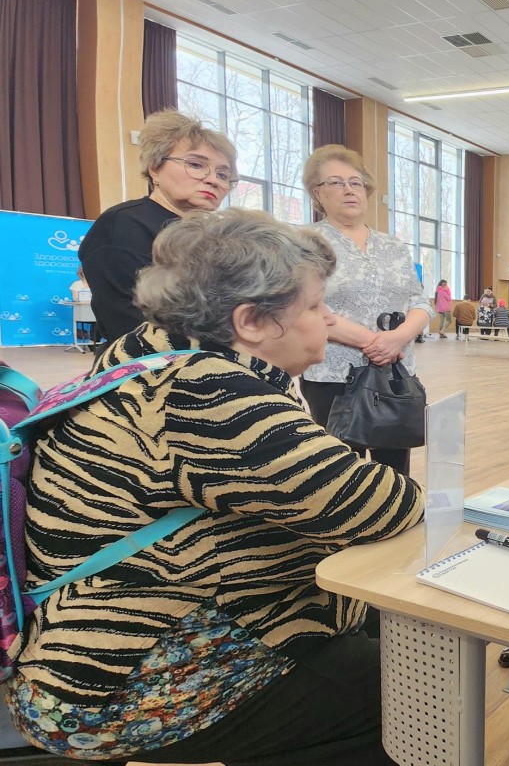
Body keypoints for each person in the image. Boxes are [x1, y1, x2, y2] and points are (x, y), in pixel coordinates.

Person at [8, 208, 424, 765]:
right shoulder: (205, 392)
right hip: (122, 683)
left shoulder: (143, 354)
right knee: (419, 692)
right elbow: (382, 505)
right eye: (314, 305)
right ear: (251, 321)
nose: (328, 320)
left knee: (381, 628)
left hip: (112, 643)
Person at [299, 144, 433, 475]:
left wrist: (398, 338)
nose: (348, 190)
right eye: (336, 182)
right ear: (317, 193)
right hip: (334, 376)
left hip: (394, 375)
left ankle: (397, 521)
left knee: (395, 470)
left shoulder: (393, 246)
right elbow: (306, 307)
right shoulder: (304, 242)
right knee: (343, 471)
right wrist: (373, 342)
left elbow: (420, 302)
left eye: (356, 182)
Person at [79, 109, 237, 343]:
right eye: (196, 164)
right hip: (153, 370)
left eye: (223, 175)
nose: (213, 180)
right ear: (155, 168)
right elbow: (129, 323)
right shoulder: (124, 224)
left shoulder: (218, 235)